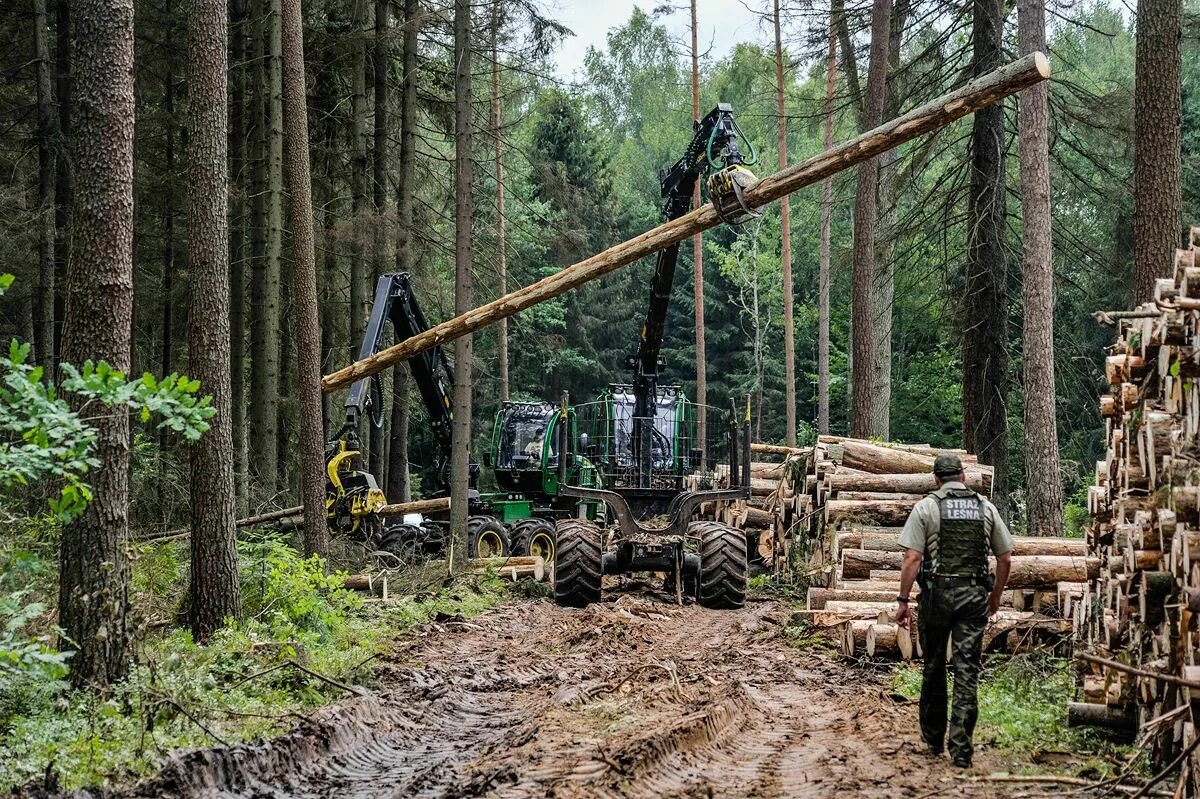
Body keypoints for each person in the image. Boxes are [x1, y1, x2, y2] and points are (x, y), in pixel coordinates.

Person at [893, 453, 1013, 769]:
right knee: (967, 668)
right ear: (962, 476)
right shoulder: (985, 508)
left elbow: (912, 559)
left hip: (937, 595)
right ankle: (961, 750)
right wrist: (995, 597)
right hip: (974, 596)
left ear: (936, 479)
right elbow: (1006, 559)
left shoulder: (926, 508)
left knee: (933, 665)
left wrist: (903, 601)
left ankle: (933, 739)